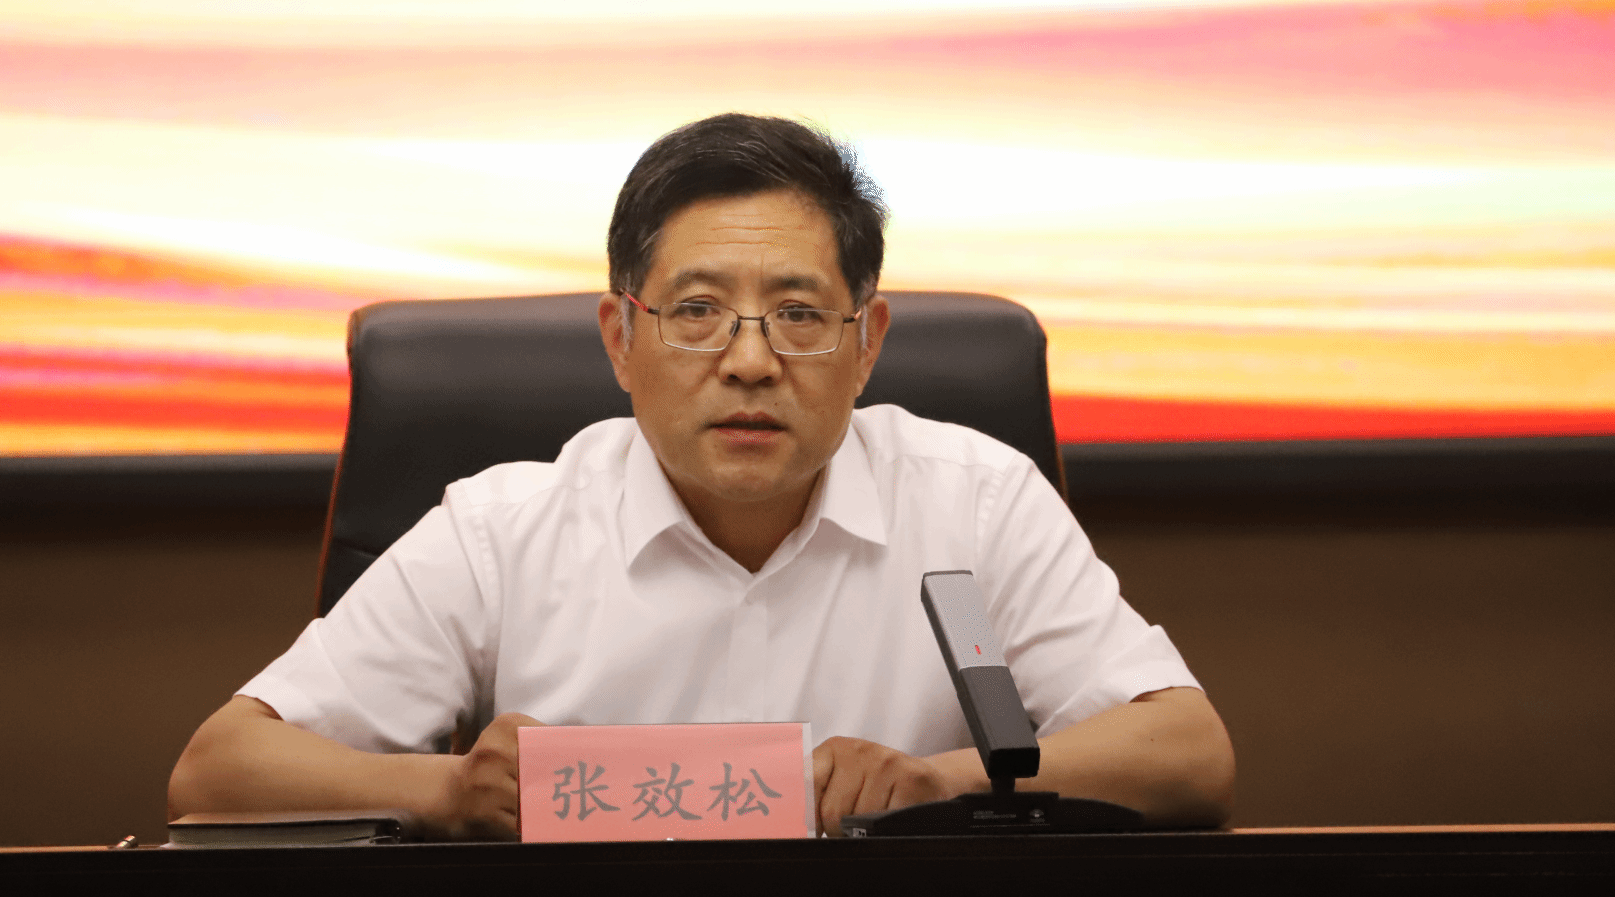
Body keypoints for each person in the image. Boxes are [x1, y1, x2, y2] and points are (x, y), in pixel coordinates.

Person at [169, 114, 1234, 838]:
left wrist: (938, 782)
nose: (750, 360)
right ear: (618, 339)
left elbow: (1188, 754)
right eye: (696, 311)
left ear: (867, 342)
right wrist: (450, 790)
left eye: (799, 313)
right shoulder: (503, 531)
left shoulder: (975, 500)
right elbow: (217, 771)